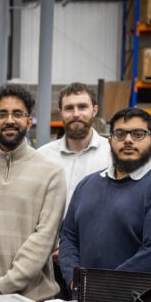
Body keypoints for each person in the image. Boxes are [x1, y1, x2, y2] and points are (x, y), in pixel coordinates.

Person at [0, 84, 66, 302]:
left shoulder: (52, 172)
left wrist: (5, 284)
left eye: (17, 114)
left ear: (28, 121)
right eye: (2, 114)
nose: (9, 120)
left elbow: (44, 238)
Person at [59, 107, 151, 287]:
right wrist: (74, 280)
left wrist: (100, 287)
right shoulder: (87, 185)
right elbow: (68, 237)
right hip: (87, 301)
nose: (128, 140)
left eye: (138, 134)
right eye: (120, 134)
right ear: (110, 141)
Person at [37, 82, 111, 210]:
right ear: (61, 113)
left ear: (94, 111)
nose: (76, 114)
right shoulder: (43, 156)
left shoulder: (112, 154)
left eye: (82, 107)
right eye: (69, 108)